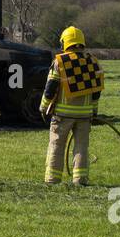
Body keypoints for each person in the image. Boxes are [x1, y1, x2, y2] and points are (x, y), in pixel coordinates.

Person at [39, 26, 104, 186]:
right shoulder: (93, 62)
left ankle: (52, 180)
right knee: (81, 147)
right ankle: (80, 180)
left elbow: (50, 88)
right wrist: (93, 111)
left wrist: (43, 107)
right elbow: (96, 92)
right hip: (84, 115)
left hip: (62, 115)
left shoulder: (60, 62)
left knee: (57, 145)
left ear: (65, 42)